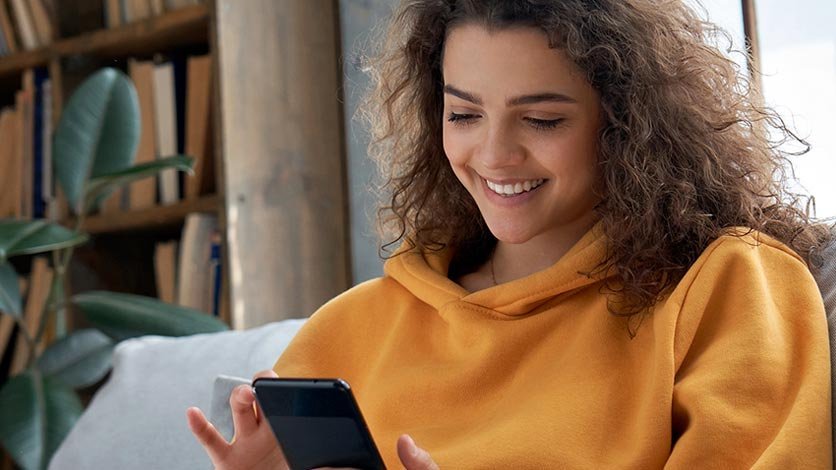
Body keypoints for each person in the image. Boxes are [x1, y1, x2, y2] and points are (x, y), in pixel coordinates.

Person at [187, 0, 833, 468]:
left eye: (543, 120)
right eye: (464, 113)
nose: (494, 155)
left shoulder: (726, 285)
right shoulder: (351, 328)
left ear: (626, 124)